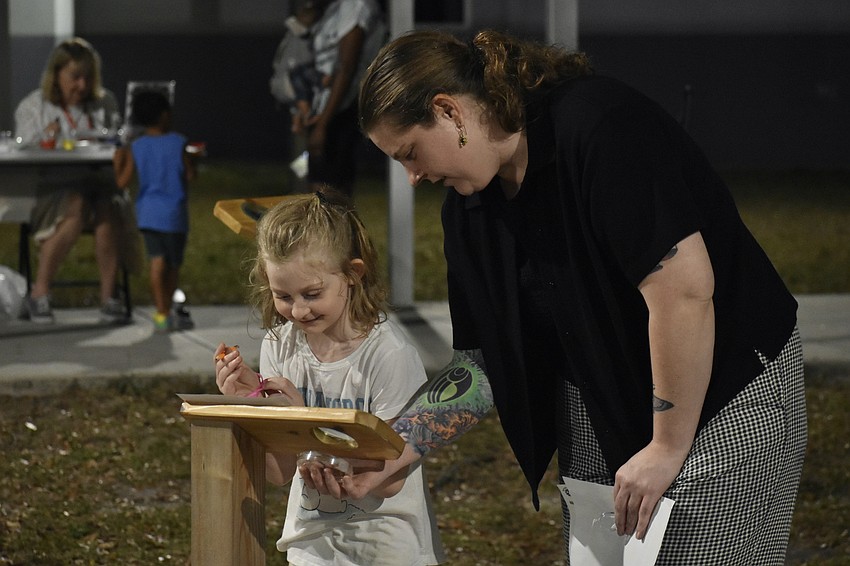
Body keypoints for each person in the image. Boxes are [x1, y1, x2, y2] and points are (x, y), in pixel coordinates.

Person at [336, 29, 805, 564]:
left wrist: (667, 446)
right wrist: (398, 449)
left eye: (410, 153)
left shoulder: (599, 129)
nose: (412, 176)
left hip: (719, 395)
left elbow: (684, 293)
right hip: (598, 402)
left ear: (449, 111)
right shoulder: (469, 211)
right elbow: (483, 365)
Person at [214, 189, 445, 566]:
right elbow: (279, 472)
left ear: (353, 273)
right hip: (311, 543)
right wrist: (248, 404)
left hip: (386, 545)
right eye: (283, 296)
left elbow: (389, 478)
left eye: (312, 293)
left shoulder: (388, 355)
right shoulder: (280, 346)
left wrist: (302, 419)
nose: (299, 310)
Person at [14, 37, 128, 324]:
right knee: (75, 206)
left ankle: (108, 297)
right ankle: (39, 293)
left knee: (108, 206)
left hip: (98, 185)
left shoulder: (104, 103)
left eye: (88, 78)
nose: (82, 86)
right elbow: (23, 150)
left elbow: (118, 144)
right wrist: (45, 139)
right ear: (56, 76)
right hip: (51, 190)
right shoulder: (33, 107)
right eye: (75, 77)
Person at [112, 90, 197, 332]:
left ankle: (161, 313)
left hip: (148, 213)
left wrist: (117, 159)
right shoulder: (178, 142)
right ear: (163, 115)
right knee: (172, 265)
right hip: (174, 214)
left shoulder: (137, 146)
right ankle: (168, 308)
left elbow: (122, 181)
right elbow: (189, 175)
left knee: (156, 262)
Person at [294, 0, 386, 196]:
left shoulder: (356, 5)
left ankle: (335, 227)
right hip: (323, 107)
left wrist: (323, 125)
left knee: (327, 192)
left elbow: (347, 66)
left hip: (339, 108)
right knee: (322, 186)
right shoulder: (332, 8)